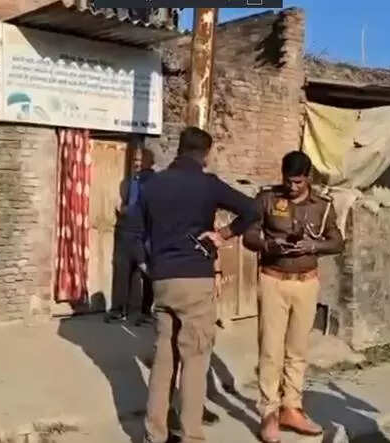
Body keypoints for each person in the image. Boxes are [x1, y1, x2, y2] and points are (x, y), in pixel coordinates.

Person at [133, 126, 258, 443]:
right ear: (205, 154)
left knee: (164, 361)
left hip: (163, 280)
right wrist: (224, 234)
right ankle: (191, 436)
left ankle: (154, 435)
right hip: (196, 280)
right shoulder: (208, 184)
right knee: (195, 360)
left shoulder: (152, 184)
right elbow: (252, 209)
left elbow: (133, 232)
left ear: (179, 148)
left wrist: (147, 265)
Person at [243, 151, 343, 443]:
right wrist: (268, 245)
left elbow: (337, 241)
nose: (292, 186)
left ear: (308, 178)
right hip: (273, 280)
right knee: (270, 351)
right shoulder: (267, 199)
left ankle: (292, 408)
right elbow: (248, 235)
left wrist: (313, 246)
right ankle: (269, 413)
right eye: (288, 180)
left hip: (306, 283)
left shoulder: (323, 206)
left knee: (297, 350)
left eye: (298, 181)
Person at [106, 146, 156, 325]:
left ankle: (146, 312)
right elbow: (120, 203)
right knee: (122, 271)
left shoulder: (155, 183)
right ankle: (119, 310)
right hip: (124, 233)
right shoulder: (127, 183)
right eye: (135, 160)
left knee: (147, 274)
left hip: (143, 234)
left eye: (140, 160)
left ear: (150, 162)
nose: (137, 163)